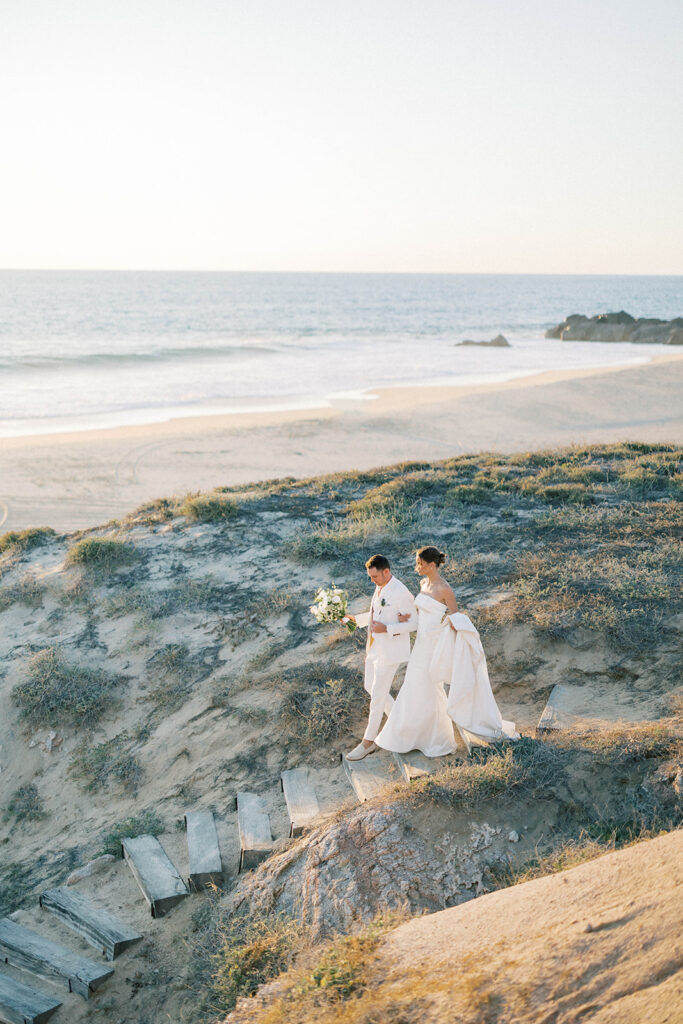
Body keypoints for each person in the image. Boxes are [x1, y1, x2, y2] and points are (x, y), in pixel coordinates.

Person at [375, 546, 458, 757]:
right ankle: (413, 735)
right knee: (415, 686)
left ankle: (437, 738)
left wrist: (446, 632)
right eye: (417, 562)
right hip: (420, 642)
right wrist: (406, 618)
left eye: (420, 563)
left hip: (433, 642)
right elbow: (419, 613)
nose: (417, 567)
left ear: (432, 565)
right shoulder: (423, 583)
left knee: (429, 686)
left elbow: (456, 617)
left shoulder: (444, 589)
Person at [344, 554, 417, 761]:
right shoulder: (380, 587)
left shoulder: (402, 593)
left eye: (374, 576)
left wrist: (388, 629)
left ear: (386, 571)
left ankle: (368, 742)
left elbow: (414, 624)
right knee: (370, 687)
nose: (372, 580)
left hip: (390, 652)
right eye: (370, 577)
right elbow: (375, 614)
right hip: (374, 648)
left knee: (377, 697)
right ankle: (401, 722)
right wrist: (355, 620)